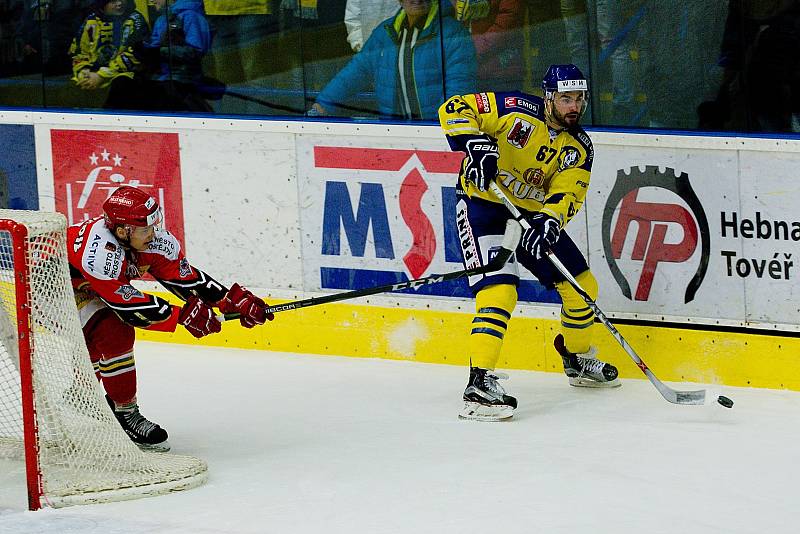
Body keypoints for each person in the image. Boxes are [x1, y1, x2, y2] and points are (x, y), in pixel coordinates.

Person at [438, 64, 620, 421]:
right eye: (566, 98)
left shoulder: (580, 147)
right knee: (500, 291)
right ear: (549, 96)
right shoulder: (514, 108)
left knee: (583, 287)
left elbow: (569, 191)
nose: (574, 107)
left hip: (530, 218)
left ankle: (575, 358)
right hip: (482, 207)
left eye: (579, 99)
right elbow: (455, 107)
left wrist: (551, 219)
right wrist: (474, 143)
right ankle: (478, 385)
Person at [67, 186, 273, 450]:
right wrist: (181, 316)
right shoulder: (98, 251)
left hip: (89, 286)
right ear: (122, 231)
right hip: (47, 287)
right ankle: (125, 412)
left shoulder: (146, 239)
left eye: (153, 226)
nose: (152, 234)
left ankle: (81, 394)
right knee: (112, 330)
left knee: (101, 334)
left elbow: (183, 276)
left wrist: (229, 301)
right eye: (145, 230)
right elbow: (126, 305)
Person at [309, 0, 475, 120]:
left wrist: (443, 125)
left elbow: (459, 85)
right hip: (394, 131)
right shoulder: (385, 32)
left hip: (436, 133)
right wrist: (323, 105)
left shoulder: (453, 34)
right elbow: (356, 72)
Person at [68, 0, 150, 109]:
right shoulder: (91, 21)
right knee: (73, 87)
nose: (119, 3)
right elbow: (78, 51)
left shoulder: (136, 20)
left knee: (122, 85)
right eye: (113, 1)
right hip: (93, 73)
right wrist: (83, 70)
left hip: (125, 75)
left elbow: (135, 56)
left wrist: (101, 75)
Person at [139, 0, 214, 111]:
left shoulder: (191, 16)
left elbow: (196, 52)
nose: (151, 1)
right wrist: (144, 50)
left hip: (185, 80)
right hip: (162, 79)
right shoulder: (161, 20)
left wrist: (160, 51)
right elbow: (155, 47)